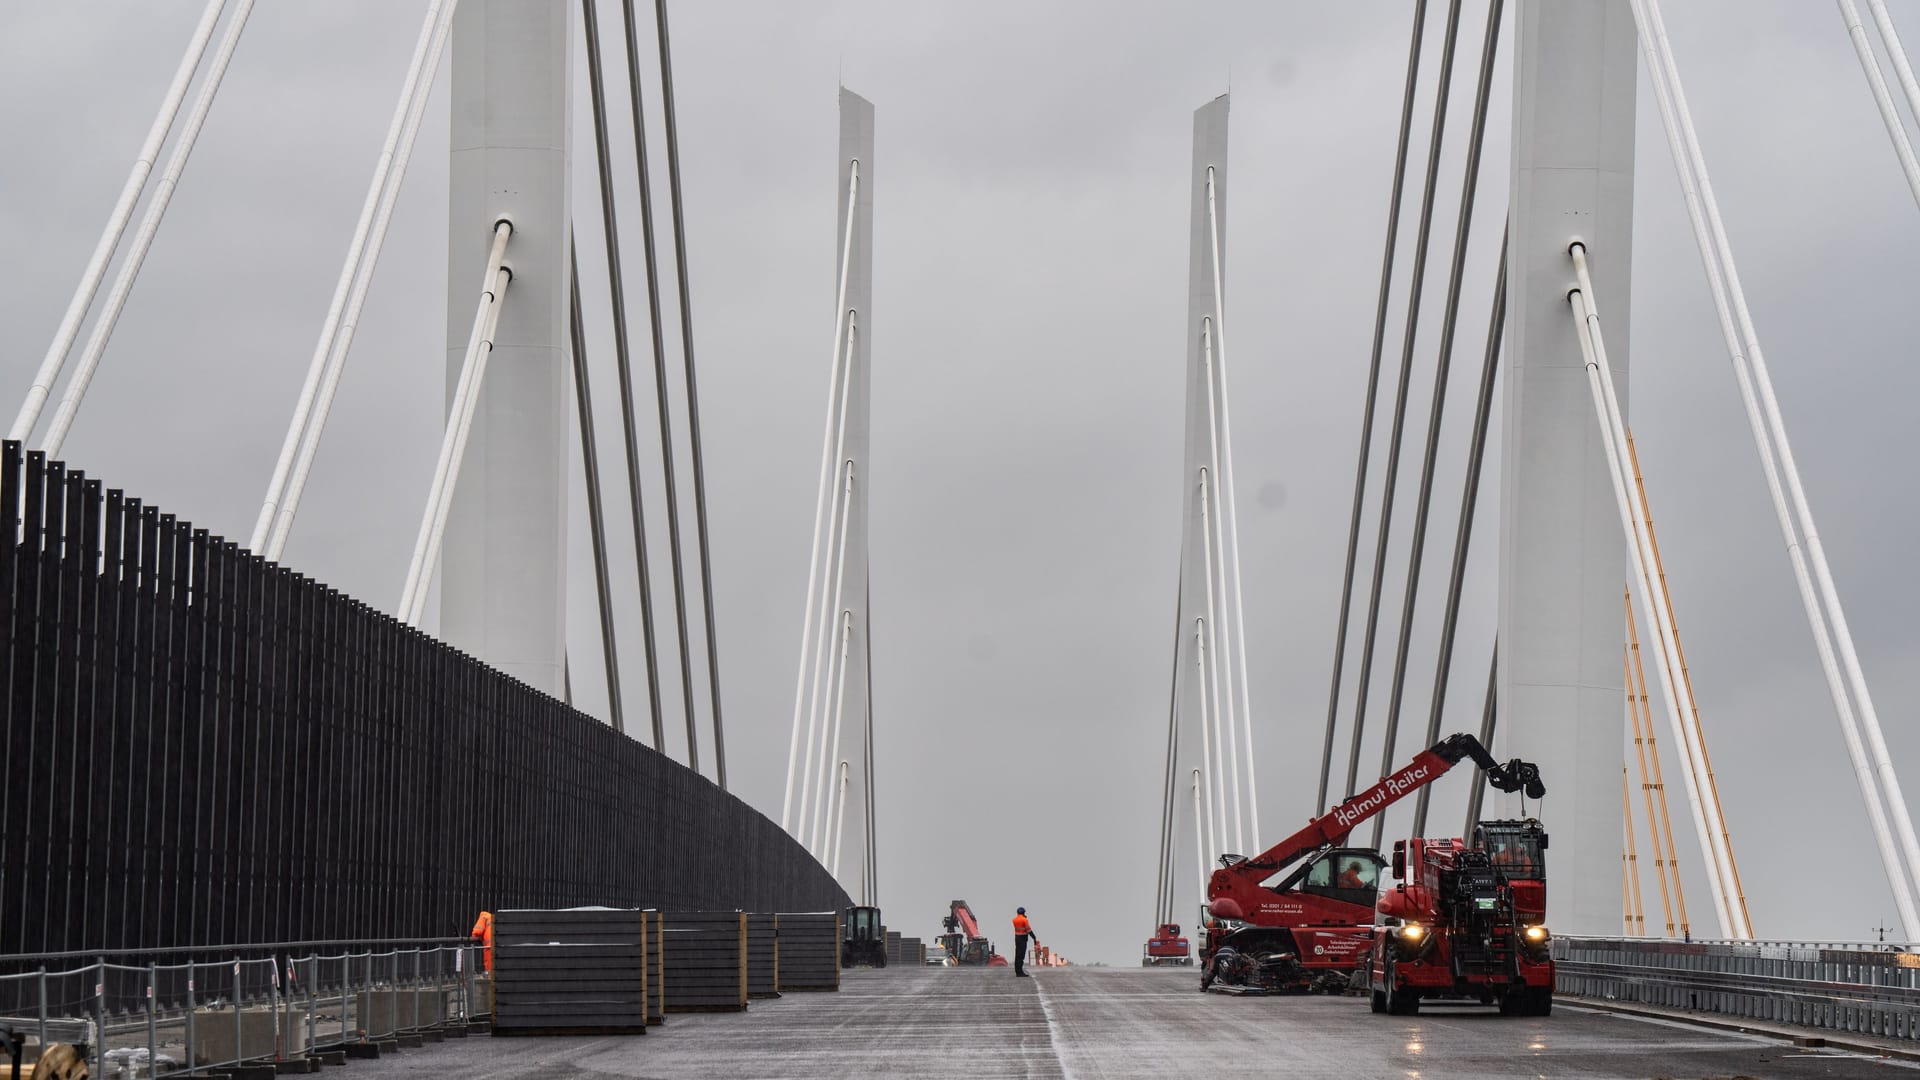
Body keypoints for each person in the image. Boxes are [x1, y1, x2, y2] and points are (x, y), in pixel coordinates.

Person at [1012, 907, 1039, 977]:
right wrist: (1034, 937)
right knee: (1021, 956)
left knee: (1017, 955)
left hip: (1017, 938)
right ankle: (1020, 972)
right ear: (1023, 912)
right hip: (1023, 939)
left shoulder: (1014, 920)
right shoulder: (1024, 920)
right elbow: (1029, 930)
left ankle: (1017, 971)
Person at [470, 910, 495, 974]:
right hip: (497, 944)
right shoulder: (492, 918)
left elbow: (478, 931)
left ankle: (490, 977)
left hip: (489, 945)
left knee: (489, 963)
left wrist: (473, 936)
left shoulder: (483, 916)